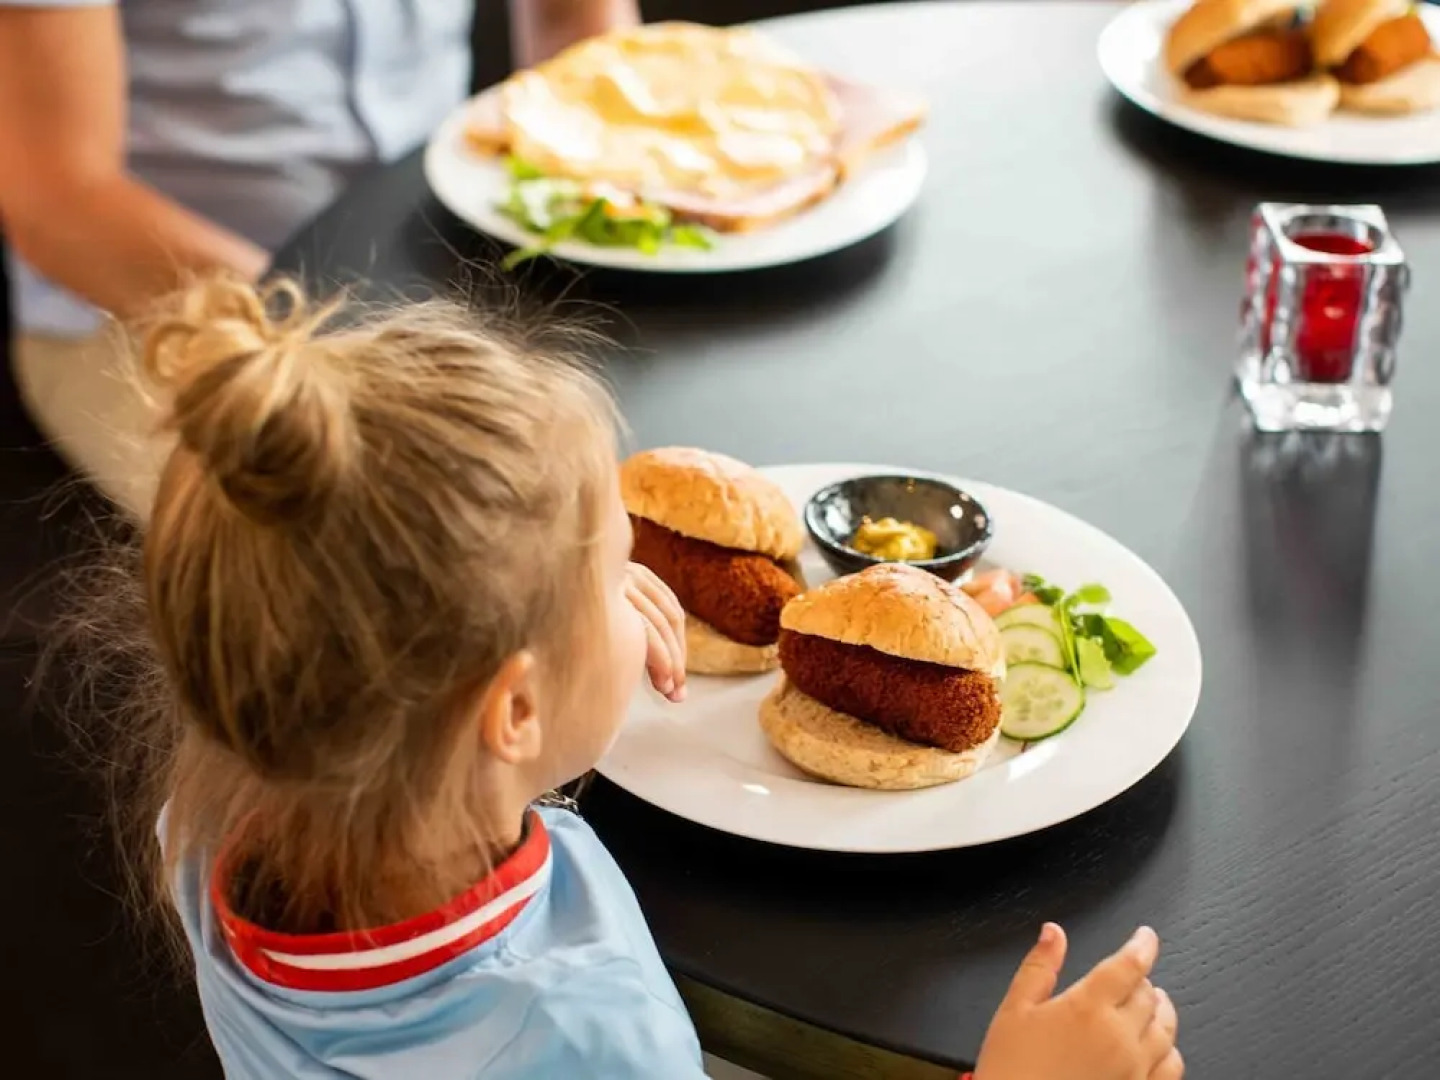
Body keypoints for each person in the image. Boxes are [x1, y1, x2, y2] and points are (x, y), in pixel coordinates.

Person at [96, 274, 1184, 1079]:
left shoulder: (213, 829)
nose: (639, 591)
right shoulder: (588, 1035)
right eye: (618, 570)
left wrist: (568, 664)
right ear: (509, 709)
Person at [0, 0, 637, 515]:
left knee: (626, 474)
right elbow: (58, 203)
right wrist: (342, 336)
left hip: (442, 254)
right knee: (417, 534)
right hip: (154, 311)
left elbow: (570, 20)